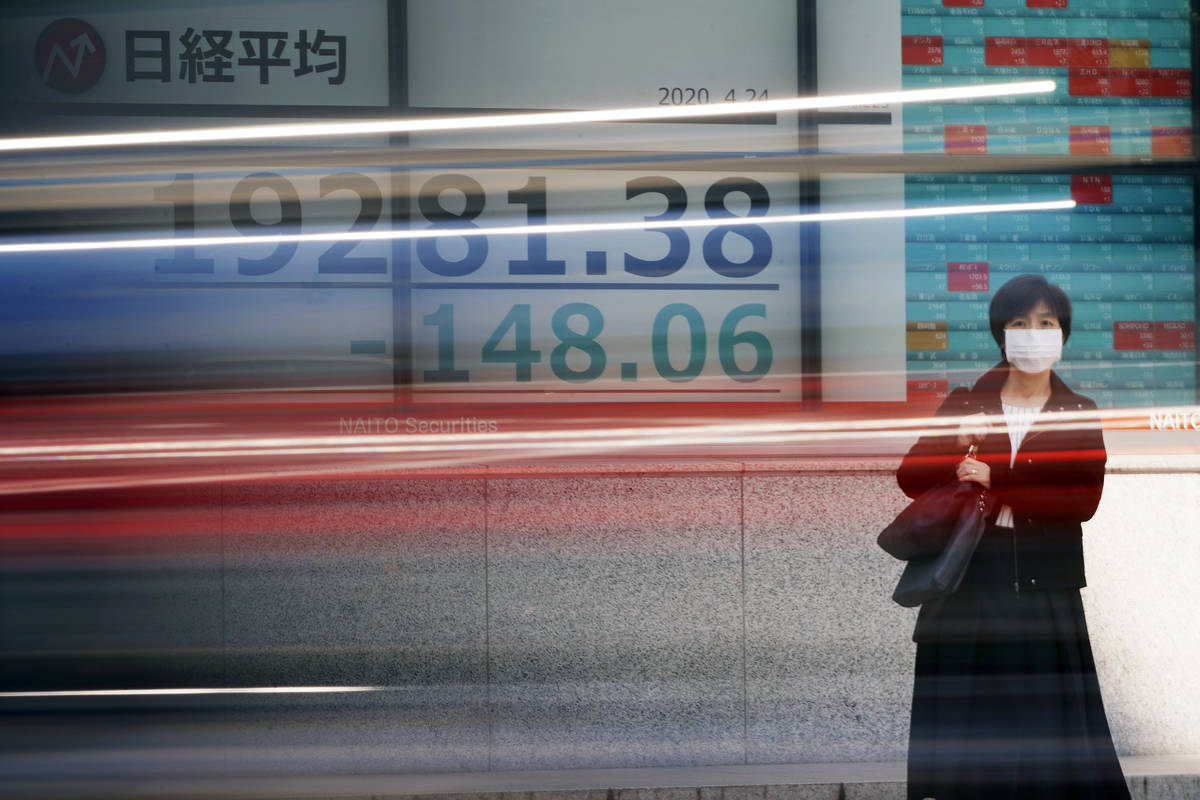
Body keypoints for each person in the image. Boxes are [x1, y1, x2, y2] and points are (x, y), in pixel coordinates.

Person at [897, 274, 1131, 799]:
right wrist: (950, 447)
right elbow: (910, 478)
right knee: (968, 734)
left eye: (1046, 323)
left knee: (1047, 732)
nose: (1033, 333)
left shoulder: (1079, 411)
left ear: (1063, 335)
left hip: (1044, 585)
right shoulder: (965, 402)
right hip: (968, 583)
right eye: (1020, 323)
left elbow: (1081, 503)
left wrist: (999, 483)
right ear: (1001, 334)